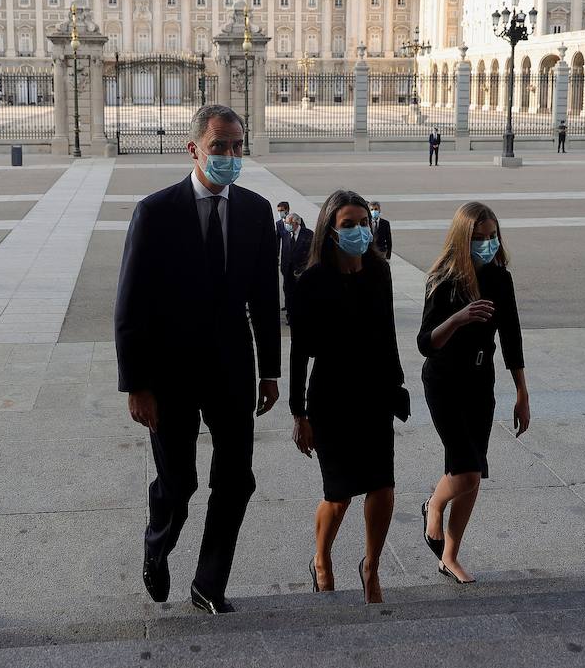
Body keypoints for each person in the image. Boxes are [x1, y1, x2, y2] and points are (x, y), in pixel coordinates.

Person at [115, 104, 281, 615]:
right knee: (179, 480)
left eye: (237, 146)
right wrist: (136, 384)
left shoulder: (255, 211)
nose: (230, 156)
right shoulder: (156, 212)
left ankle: (209, 582)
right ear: (194, 149)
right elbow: (130, 304)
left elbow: (264, 300)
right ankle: (158, 542)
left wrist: (270, 370)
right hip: (169, 374)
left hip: (231, 367)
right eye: (219, 147)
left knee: (236, 479)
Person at [289, 190, 408, 603]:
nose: (359, 230)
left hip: (374, 392)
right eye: (348, 224)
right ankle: (321, 559)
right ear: (330, 230)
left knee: (383, 487)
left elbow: (388, 331)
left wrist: (398, 384)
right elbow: (300, 351)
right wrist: (298, 412)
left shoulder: (379, 270)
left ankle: (371, 567)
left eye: (363, 223)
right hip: (331, 398)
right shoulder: (312, 282)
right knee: (338, 495)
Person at [418, 202, 529, 584]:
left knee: (473, 476)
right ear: (462, 239)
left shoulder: (501, 279)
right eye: (478, 238)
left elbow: (512, 337)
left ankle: (449, 555)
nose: (487, 244)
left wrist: (522, 391)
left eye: (492, 237)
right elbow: (425, 343)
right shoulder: (443, 280)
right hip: (445, 382)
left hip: (481, 384)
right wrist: (458, 318)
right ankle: (432, 505)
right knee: (466, 472)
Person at [280, 213, 313, 326]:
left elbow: (310, 253)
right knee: (288, 294)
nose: (286, 225)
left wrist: (306, 268)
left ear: (296, 223)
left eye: (288, 223)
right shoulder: (285, 234)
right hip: (287, 270)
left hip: (301, 271)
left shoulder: (308, 234)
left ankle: (303, 314)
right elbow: (284, 251)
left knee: (302, 293)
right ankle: (290, 316)